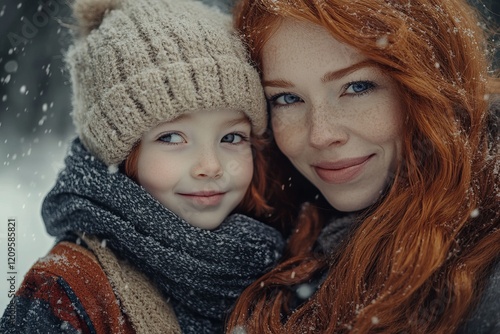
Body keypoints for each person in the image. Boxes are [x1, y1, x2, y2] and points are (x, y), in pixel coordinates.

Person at [0, 0, 285, 333]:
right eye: (172, 137)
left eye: (232, 137)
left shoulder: (269, 261)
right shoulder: (70, 289)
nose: (210, 166)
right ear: (120, 153)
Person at [227, 0, 500, 333]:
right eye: (287, 98)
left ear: (427, 86)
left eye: (357, 87)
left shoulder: (486, 276)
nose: (321, 135)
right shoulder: (278, 227)